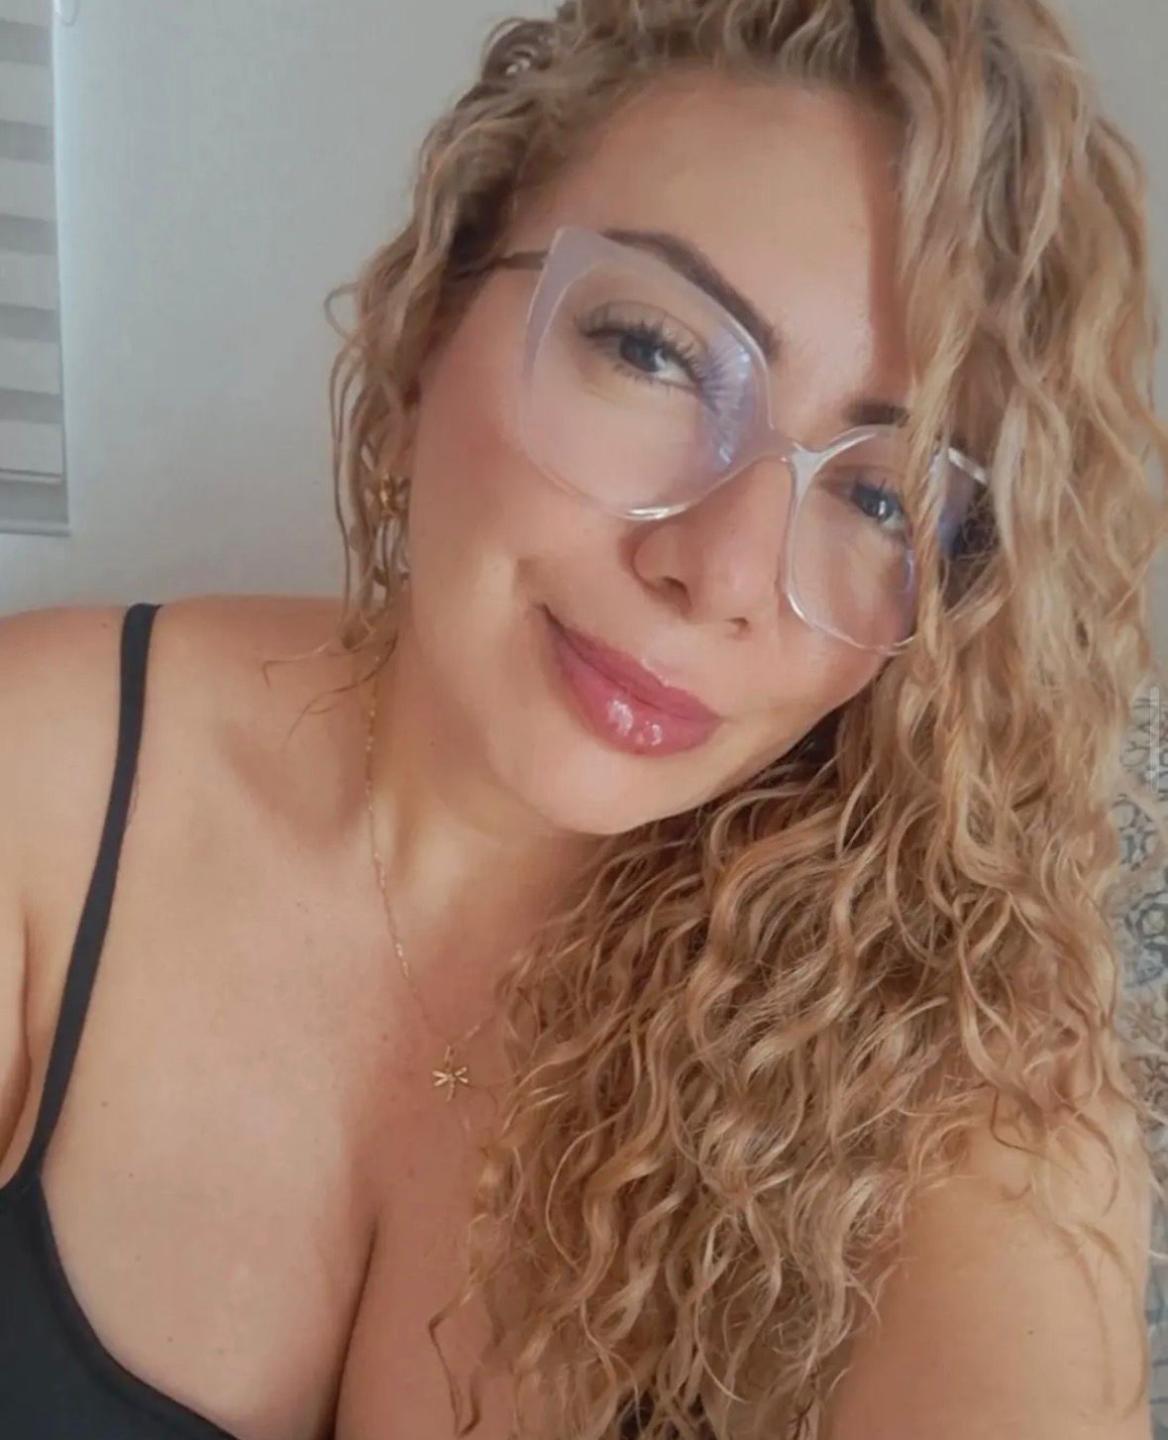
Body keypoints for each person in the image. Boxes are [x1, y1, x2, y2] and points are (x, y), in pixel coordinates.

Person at [1, 0, 1165, 1436]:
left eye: (881, 499)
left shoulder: (949, 1071)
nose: (721, 572)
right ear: (428, 325)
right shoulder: (44, 780)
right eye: (657, 353)